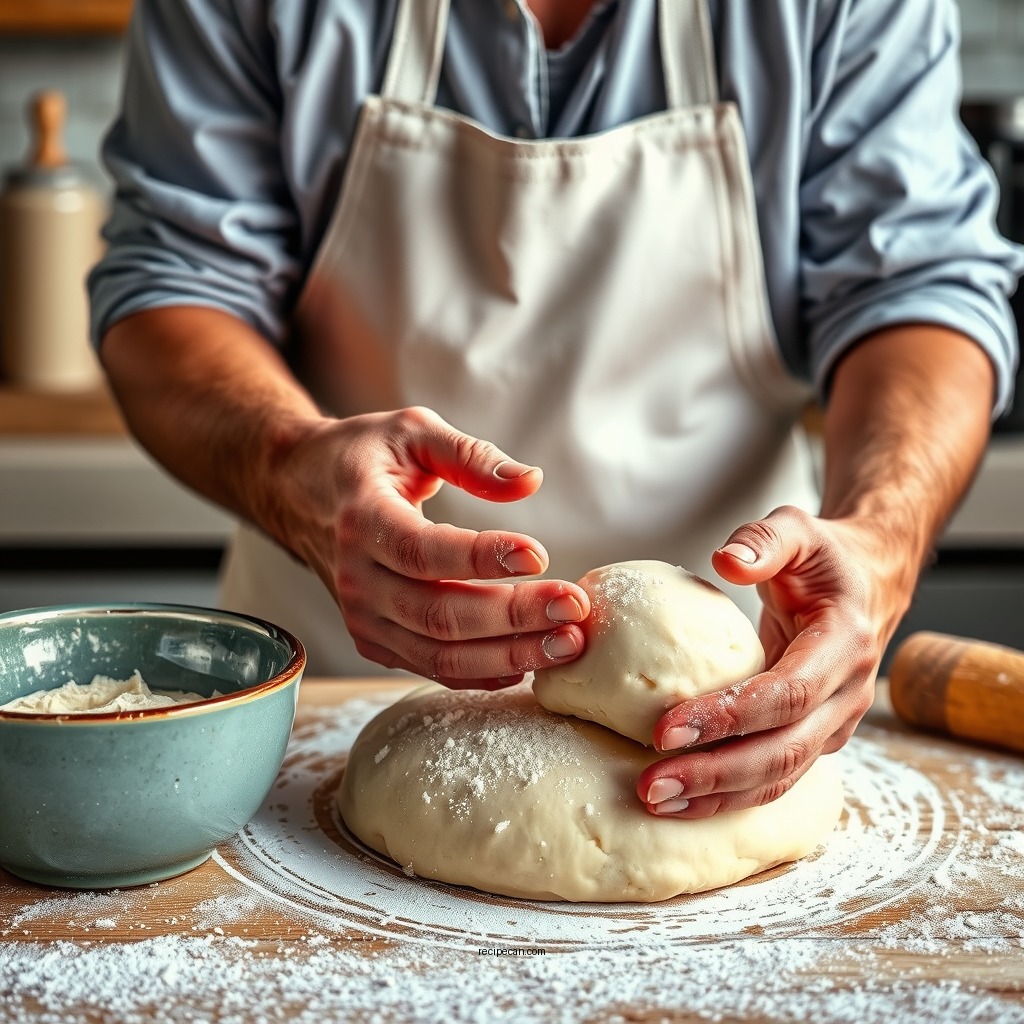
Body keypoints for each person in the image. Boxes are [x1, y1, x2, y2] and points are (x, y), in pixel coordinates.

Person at [89, 0, 1021, 821]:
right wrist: (287, 465)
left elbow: (917, 290)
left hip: (735, 694)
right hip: (335, 680)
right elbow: (174, 281)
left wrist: (881, 539)